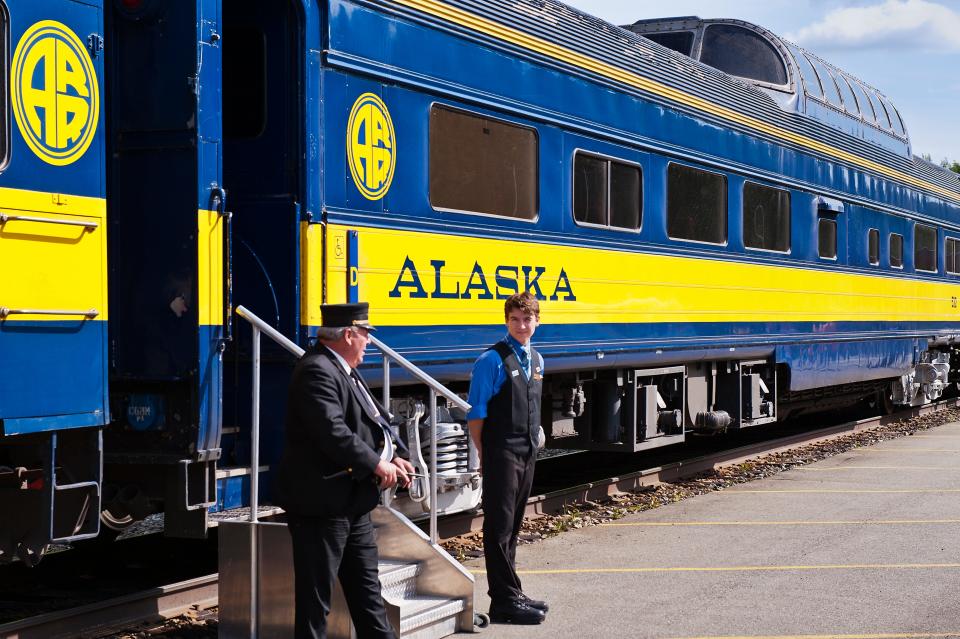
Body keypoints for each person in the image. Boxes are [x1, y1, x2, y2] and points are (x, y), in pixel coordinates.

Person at [276, 302, 416, 639]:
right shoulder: (316, 371)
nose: (369, 341)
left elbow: (375, 420)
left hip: (352, 503)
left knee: (368, 597)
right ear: (349, 334)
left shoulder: (343, 369)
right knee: (315, 605)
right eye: (366, 334)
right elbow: (333, 432)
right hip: (322, 505)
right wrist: (375, 463)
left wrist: (394, 455)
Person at [466, 291, 549, 625]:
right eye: (514, 319)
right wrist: (484, 452)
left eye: (527, 319)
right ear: (506, 321)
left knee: (513, 526)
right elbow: (477, 413)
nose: (521, 325)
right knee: (498, 528)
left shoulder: (538, 360)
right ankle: (502, 601)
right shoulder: (491, 360)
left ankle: (512, 591)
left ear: (537, 322)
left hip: (526, 452)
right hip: (501, 452)